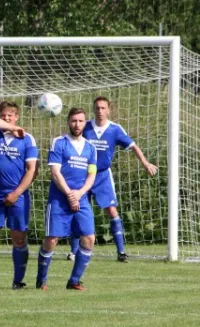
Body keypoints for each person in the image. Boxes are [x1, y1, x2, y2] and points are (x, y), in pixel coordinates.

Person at [68, 96, 158, 262]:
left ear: (109, 110)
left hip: (102, 176)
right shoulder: (85, 126)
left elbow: (133, 146)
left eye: (103, 108)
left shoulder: (115, 129)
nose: (100, 111)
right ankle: (73, 252)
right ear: (93, 109)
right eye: (97, 108)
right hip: (83, 174)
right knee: (77, 209)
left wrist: (145, 163)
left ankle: (121, 252)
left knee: (111, 210)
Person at [0, 102, 38, 290]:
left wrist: (16, 193)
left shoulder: (27, 139)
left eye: (10, 116)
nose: (6, 118)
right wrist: (12, 128)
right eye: (3, 115)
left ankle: (18, 281)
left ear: (17, 116)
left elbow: (32, 170)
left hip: (18, 195)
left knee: (19, 238)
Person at [36, 107, 97, 291]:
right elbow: (55, 172)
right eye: (73, 121)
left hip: (82, 198)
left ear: (85, 123)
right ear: (68, 122)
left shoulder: (91, 148)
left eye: (80, 121)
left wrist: (79, 194)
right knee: (51, 240)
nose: (77, 124)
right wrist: (70, 193)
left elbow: (91, 175)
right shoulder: (59, 143)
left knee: (89, 238)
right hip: (59, 199)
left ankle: (74, 281)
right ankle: (41, 281)